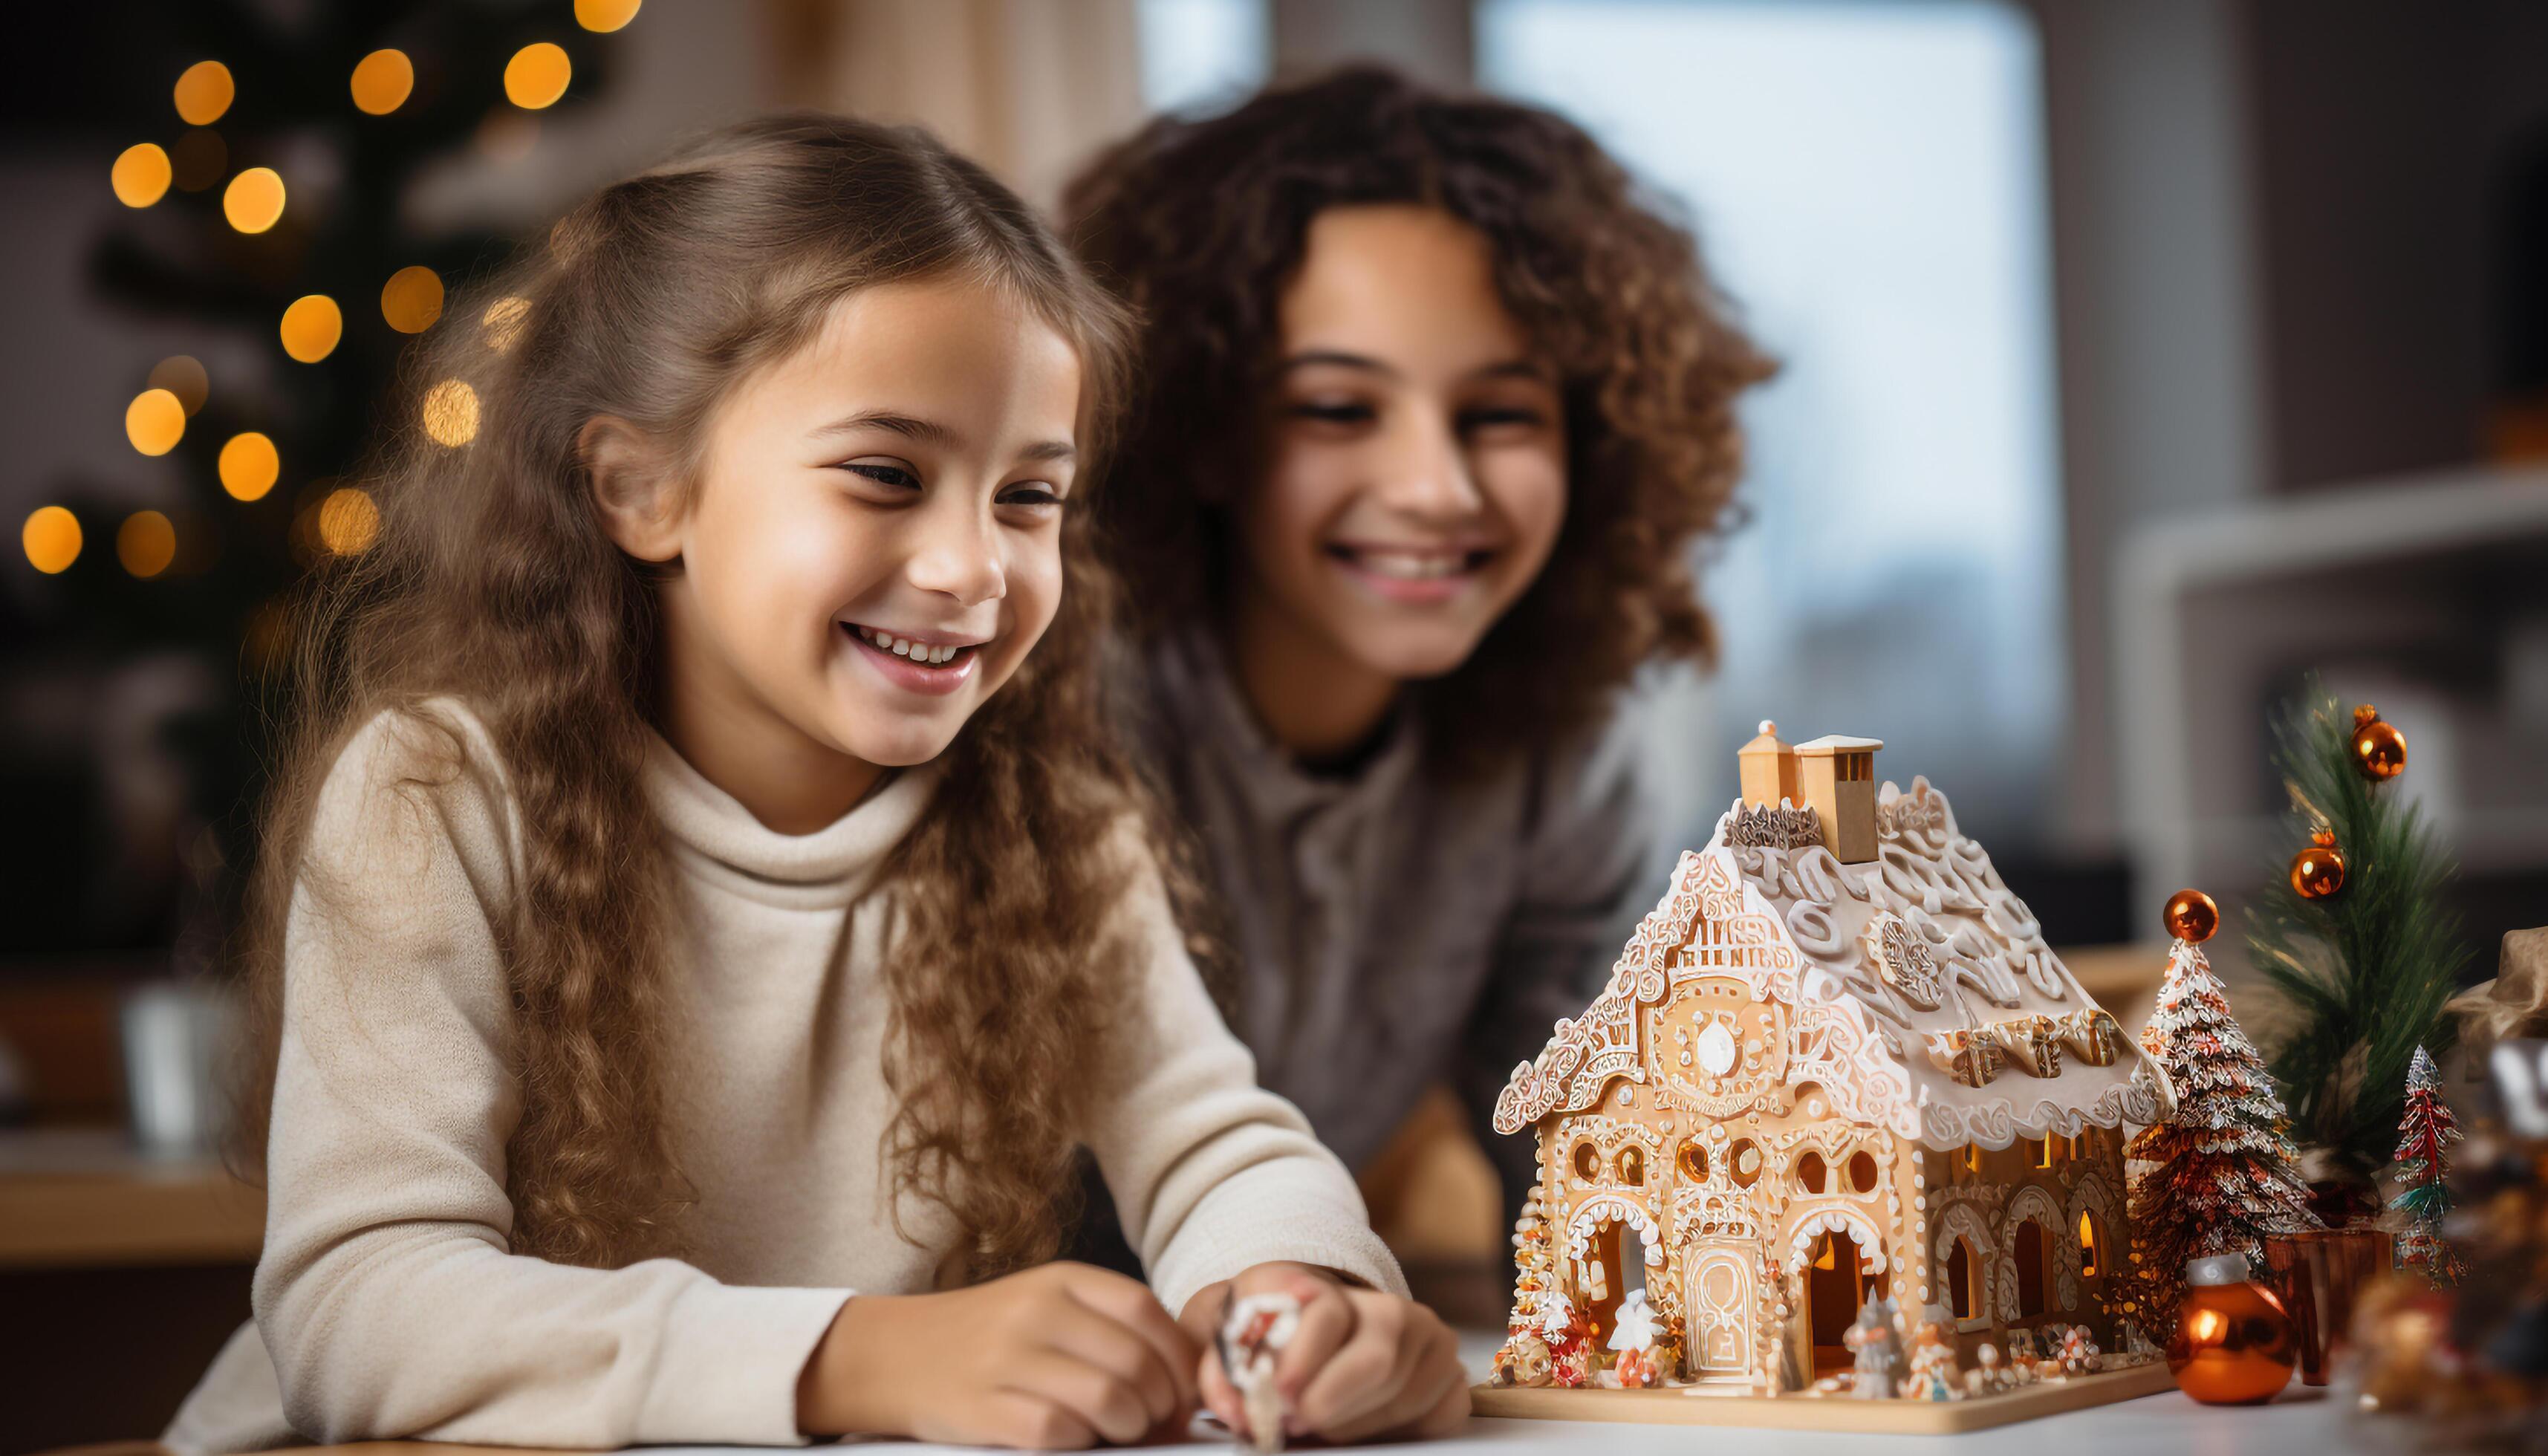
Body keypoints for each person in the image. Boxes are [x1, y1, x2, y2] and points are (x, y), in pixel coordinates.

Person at [163, 115, 1464, 1453]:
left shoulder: (1051, 829)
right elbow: (358, 1313)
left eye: (1028, 498)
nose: (973, 567)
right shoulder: (435, 792)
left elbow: (1214, 1149)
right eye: (886, 475)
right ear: (640, 488)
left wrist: (1307, 1300)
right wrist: (856, 1352)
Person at [1062, 68, 1773, 1226]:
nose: (1435, 490)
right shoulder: (1066, 705)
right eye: (1337, 410)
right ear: (1199, 432)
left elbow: (1594, 1186)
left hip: (1285, 1361)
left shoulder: (1564, 753)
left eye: (1500, 416)